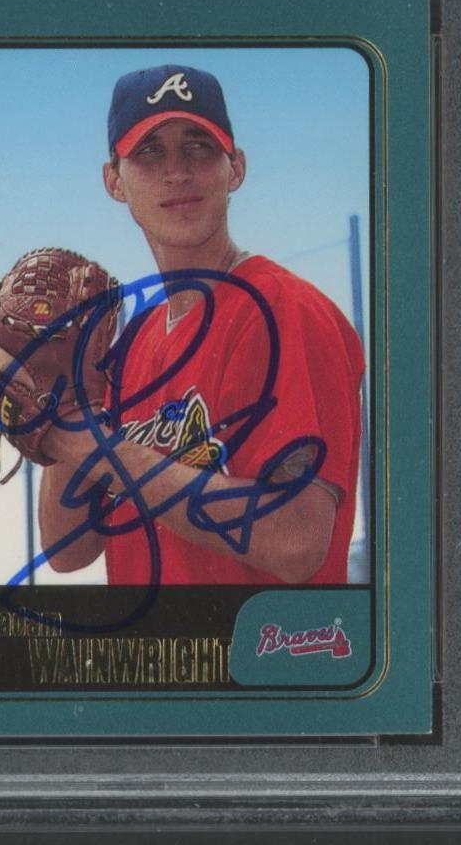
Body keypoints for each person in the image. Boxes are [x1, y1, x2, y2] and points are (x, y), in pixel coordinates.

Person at [23, 64, 364, 585]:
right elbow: (67, 550)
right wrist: (70, 401)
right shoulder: (128, 346)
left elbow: (296, 539)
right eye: (149, 151)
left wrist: (88, 446)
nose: (177, 172)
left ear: (236, 168)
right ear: (114, 180)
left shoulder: (284, 311)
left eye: (199, 147)